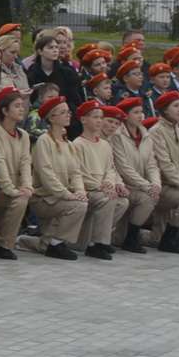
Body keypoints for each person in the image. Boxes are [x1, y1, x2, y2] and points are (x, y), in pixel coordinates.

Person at [26, 93, 88, 259]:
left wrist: (80, 190)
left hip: (60, 197)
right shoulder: (44, 141)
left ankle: (40, 242)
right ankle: (56, 244)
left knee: (81, 201)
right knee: (78, 206)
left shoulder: (68, 144)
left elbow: (76, 172)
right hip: (44, 198)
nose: (69, 114)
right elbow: (46, 173)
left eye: (68, 111)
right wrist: (67, 194)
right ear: (51, 118)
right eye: (63, 112)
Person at [142, 96, 179, 253]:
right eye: (175, 106)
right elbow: (164, 165)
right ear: (165, 109)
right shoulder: (156, 132)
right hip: (164, 186)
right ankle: (169, 238)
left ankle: (166, 236)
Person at [0, 85, 34, 256]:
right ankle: (4, 246)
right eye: (17, 106)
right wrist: (11, 190)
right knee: (19, 200)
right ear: (5, 110)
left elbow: (26, 162)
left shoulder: (23, 135)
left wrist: (27, 185)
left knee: (23, 196)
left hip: (14, 187)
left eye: (22, 105)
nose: (22, 109)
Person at [71, 102, 125, 259]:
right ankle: (97, 244)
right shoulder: (78, 144)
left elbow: (110, 169)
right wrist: (100, 186)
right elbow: (78, 172)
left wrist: (109, 183)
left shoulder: (105, 145)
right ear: (83, 120)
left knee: (123, 202)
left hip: (102, 188)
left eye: (101, 117)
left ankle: (96, 238)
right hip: (87, 188)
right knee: (107, 199)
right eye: (95, 117)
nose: (99, 121)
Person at [103, 100, 157, 254]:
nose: (141, 115)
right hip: (126, 184)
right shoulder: (117, 136)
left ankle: (132, 236)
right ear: (125, 116)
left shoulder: (146, 135)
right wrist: (146, 186)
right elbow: (122, 167)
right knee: (143, 197)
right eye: (136, 112)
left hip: (138, 185)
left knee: (150, 196)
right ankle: (101, 238)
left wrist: (155, 184)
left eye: (141, 112)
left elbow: (152, 164)